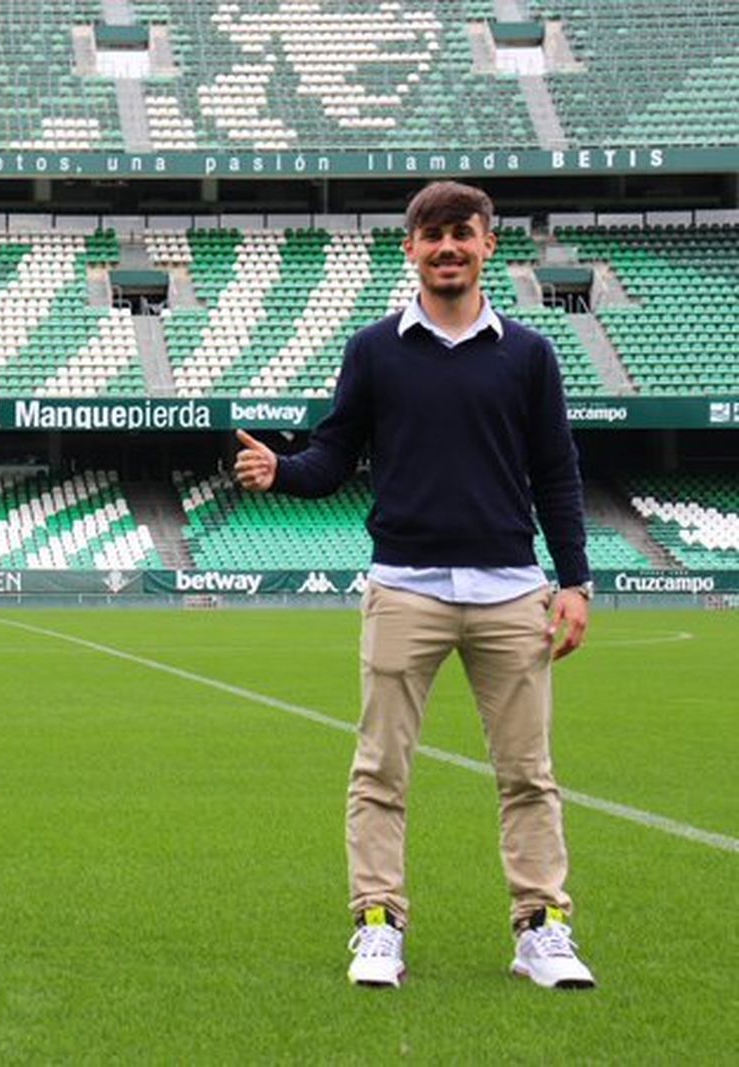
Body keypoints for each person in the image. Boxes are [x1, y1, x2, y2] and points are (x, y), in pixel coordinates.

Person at [234, 181, 596, 990]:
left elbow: (556, 472)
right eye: (431, 236)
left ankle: (542, 927)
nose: (447, 249)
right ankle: (377, 924)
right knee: (380, 770)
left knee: (528, 773)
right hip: (405, 590)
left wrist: (574, 579)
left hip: (511, 592)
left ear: (488, 245)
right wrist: (280, 471)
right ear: (410, 248)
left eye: (461, 234)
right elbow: (335, 454)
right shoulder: (374, 349)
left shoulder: (529, 353)